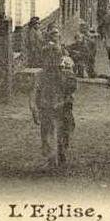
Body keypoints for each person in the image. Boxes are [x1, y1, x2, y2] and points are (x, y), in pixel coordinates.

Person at [32, 27, 78, 167]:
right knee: (47, 131)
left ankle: (62, 151)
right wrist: (34, 107)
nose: (50, 61)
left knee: (64, 129)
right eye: (47, 58)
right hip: (46, 106)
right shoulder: (41, 75)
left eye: (54, 58)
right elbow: (35, 90)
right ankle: (51, 157)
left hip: (62, 105)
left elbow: (71, 87)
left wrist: (66, 96)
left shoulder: (64, 71)